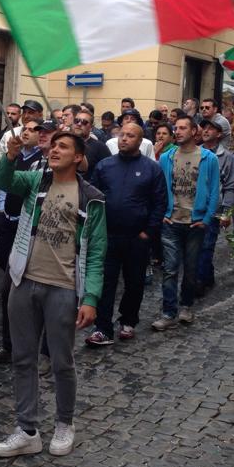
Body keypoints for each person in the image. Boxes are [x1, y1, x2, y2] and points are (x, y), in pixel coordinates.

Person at [0, 130, 105, 458]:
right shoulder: (35, 181)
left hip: (64, 289)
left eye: (63, 146)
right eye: (53, 145)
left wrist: (91, 298)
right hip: (24, 281)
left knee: (61, 361)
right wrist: (9, 155)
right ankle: (27, 430)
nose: (55, 150)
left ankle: (65, 424)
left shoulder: (92, 197)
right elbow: (3, 180)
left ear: (79, 157)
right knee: (23, 358)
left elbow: (96, 251)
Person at [85, 122, 166, 346]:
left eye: (130, 136)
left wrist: (148, 232)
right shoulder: (104, 166)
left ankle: (128, 321)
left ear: (140, 141)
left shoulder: (152, 168)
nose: (124, 139)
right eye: (122, 135)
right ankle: (102, 328)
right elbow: (92, 198)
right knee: (105, 282)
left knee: (134, 282)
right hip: (107, 236)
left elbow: (160, 203)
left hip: (136, 238)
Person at [0, 120, 43, 366]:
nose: (27, 132)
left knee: (47, 300)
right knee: (8, 289)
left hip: (43, 240)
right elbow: (2, 181)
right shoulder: (21, 159)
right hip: (14, 228)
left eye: (36, 130)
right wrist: (10, 156)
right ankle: (9, 346)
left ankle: (44, 352)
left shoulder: (48, 163)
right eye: (25, 128)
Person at [152, 117, 219, 331]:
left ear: (194, 131)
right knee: (170, 269)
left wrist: (206, 219)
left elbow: (214, 191)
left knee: (191, 269)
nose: (178, 131)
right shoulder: (166, 157)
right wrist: (163, 213)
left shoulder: (208, 158)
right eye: (176, 128)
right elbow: (160, 189)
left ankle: (186, 306)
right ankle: (168, 312)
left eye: (183, 128)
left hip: (195, 222)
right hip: (171, 221)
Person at [196, 117, 234, 293]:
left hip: (213, 209)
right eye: (204, 128)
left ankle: (198, 283)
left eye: (211, 129)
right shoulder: (194, 152)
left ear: (219, 134)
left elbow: (230, 186)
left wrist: (227, 212)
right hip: (192, 208)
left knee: (206, 246)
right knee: (195, 248)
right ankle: (207, 275)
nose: (205, 131)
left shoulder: (227, 157)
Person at [72, 109, 110, 183]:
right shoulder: (65, 143)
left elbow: (108, 173)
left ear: (91, 127)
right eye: (76, 121)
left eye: (84, 122)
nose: (79, 124)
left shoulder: (100, 147)